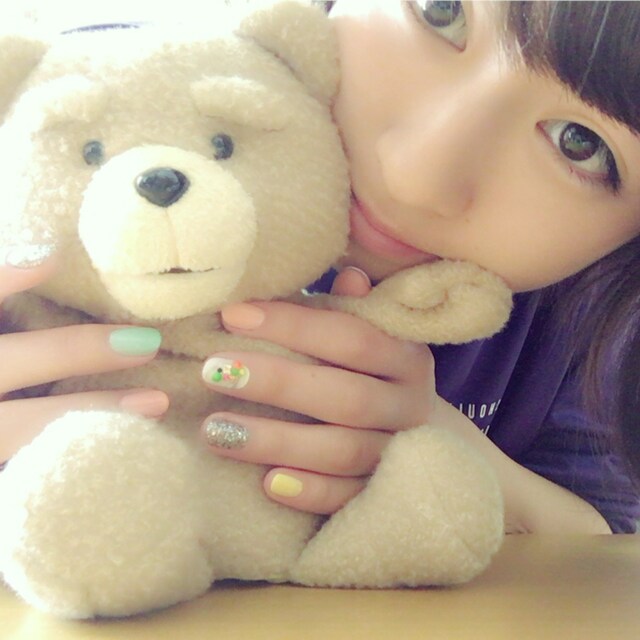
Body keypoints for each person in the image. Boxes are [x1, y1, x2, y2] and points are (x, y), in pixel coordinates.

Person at [1, 0, 640, 535]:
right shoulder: (53, 128)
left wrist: (445, 458)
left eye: (580, 144)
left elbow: (606, 548)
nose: (416, 175)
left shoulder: (588, 327)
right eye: (441, 9)